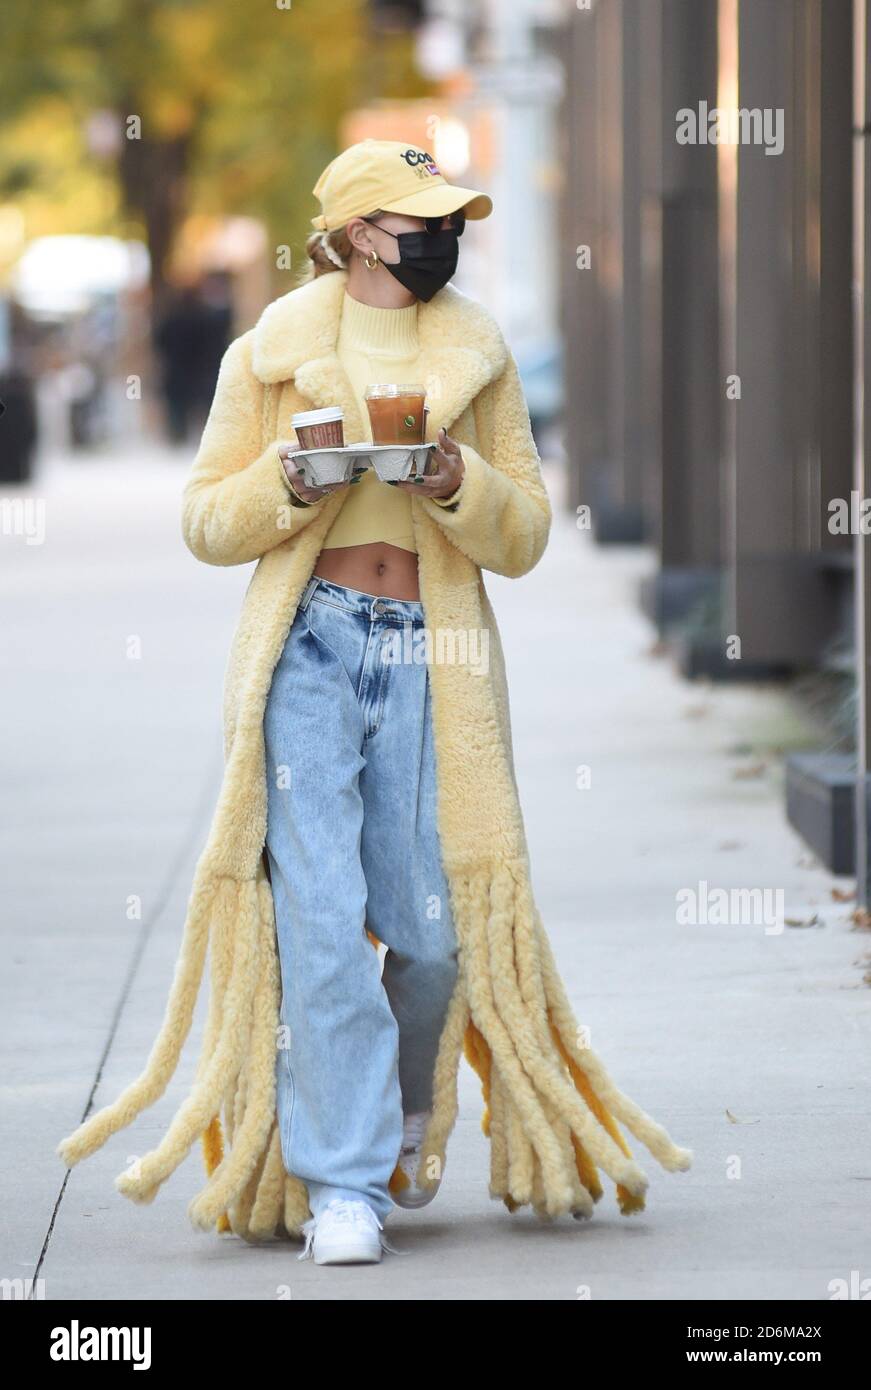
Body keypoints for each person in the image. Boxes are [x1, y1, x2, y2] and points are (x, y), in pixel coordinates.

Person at [58, 139, 691, 1266]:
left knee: (435, 931)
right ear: (356, 233)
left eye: (450, 221)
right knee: (319, 919)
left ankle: (400, 1110)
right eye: (418, 221)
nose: (441, 239)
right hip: (309, 648)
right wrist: (290, 482)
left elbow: (529, 534)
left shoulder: (476, 352)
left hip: (431, 655)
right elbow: (207, 522)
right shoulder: (271, 353)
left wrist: (456, 481)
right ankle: (342, 1177)